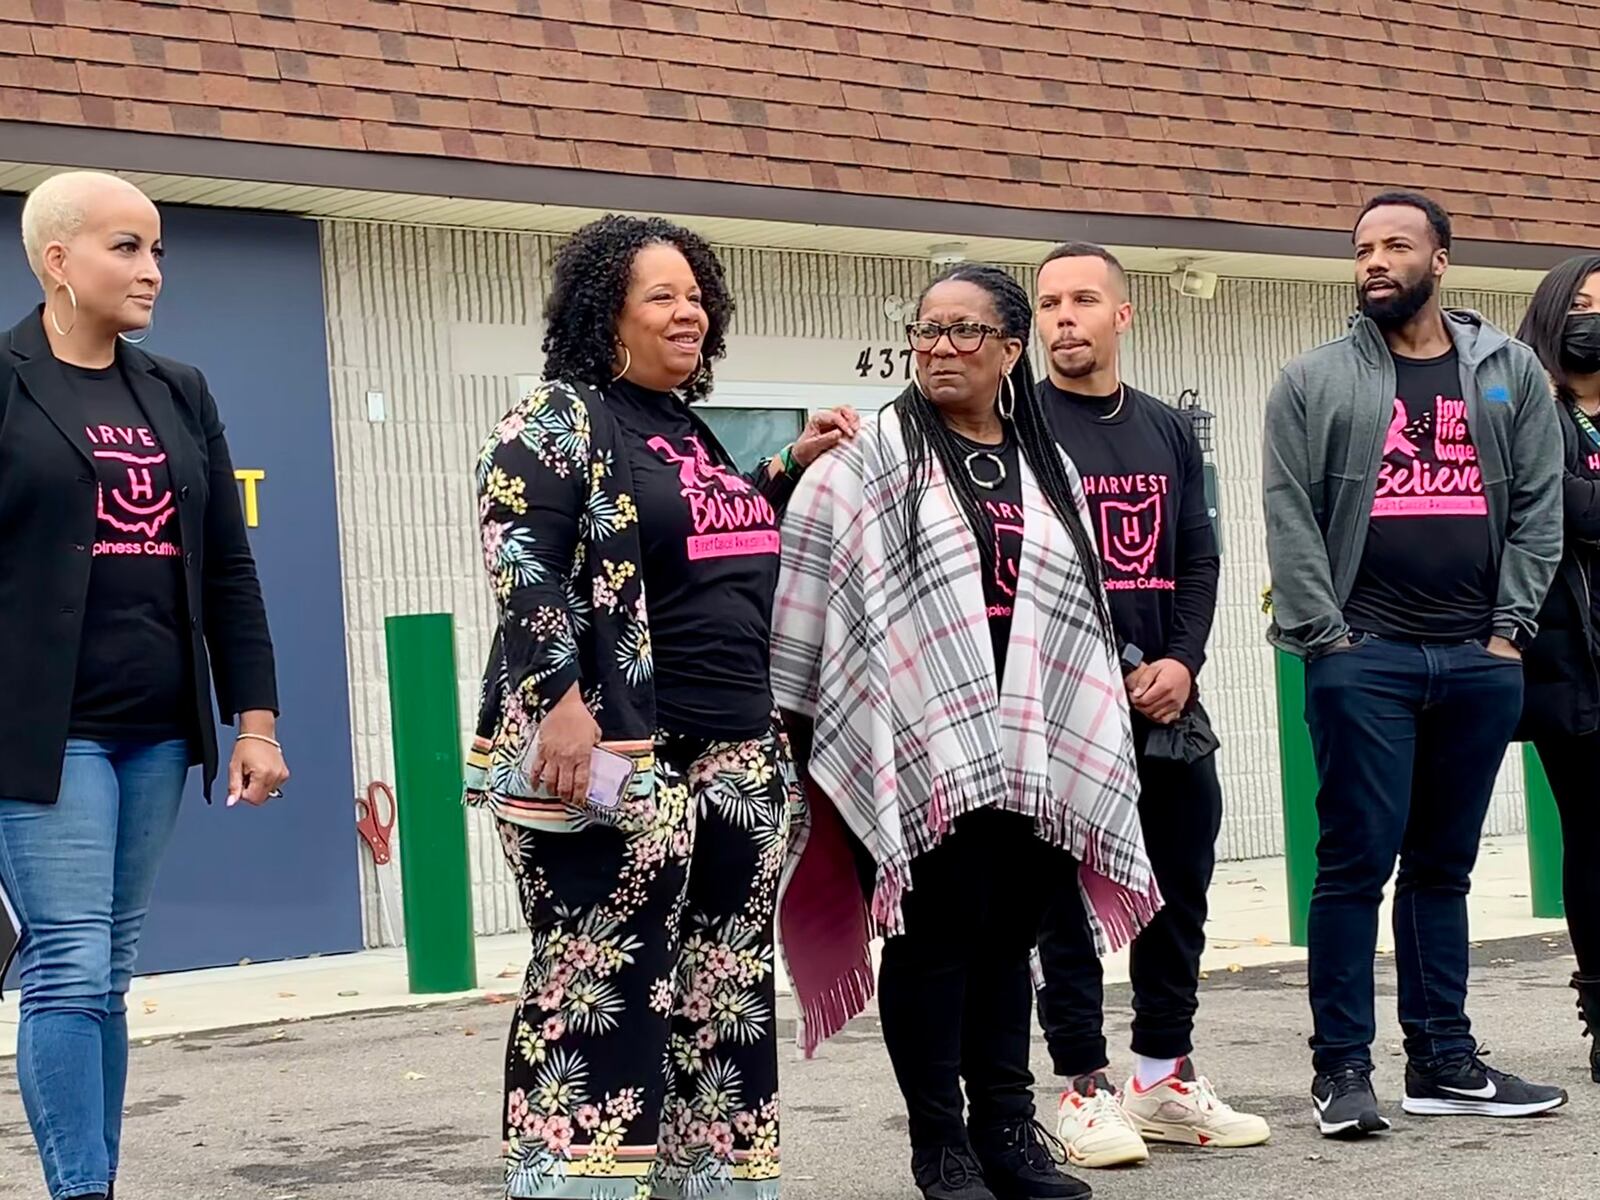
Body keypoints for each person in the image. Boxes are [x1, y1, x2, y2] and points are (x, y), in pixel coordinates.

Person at [464, 213, 858, 1200]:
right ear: (607, 316)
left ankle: (716, 1184)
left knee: (725, 987)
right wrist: (556, 703)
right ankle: (579, 1186)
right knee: (602, 978)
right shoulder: (555, 420)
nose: (688, 313)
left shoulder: (681, 424)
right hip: (612, 751)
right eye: (661, 296)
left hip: (730, 746)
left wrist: (782, 470)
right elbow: (523, 566)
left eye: (696, 297)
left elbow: (700, 541)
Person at [772, 263, 1158, 1200]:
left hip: (1032, 748)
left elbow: (1074, 610)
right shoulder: (868, 460)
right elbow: (810, 590)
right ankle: (939, 1145)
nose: (940, 348)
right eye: (927, 330)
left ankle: (1008, 1133)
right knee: (935, 939)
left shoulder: (1048, 466)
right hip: (917, 744)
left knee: (1007, 939)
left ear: (1010, 350)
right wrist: (799, 724)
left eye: (964, 332)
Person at [0, 171, 289, 1200]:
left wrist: (254, 720)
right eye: (127, 248)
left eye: (158, 250)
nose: (152, 270)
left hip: (159, 726)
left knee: (108, 973)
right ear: (57, 260)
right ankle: (82, 1191)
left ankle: (95, 1177)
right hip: (44, 729)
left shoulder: (179, 389)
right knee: (68, 967)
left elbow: (228, 567)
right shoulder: (5, 379)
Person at [1263, 191, 1567, 1139]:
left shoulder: (1510, 370)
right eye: (1362, 249)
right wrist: (1330, 642)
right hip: (1369, 659)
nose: (1375, 262)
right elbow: (1289, 515)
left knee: (1445, 868)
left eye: (1397, 245)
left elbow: (1539, 509)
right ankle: (1342, 1073)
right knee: (1355, 865)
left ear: (1442, 259)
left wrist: (1508, 633)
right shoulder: (1314, 380)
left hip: (1478, 659)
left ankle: (1442, 1060)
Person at [1031, 243, 1270, 1166]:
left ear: (1121, 316)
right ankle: (1083, 1090)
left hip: (1165, 705)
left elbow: (1199, 558)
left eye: (1083, 300)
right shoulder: (1015, 424)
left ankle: (1163, 1077)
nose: (1064, 318)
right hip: (1057, 709)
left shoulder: (1166, 429)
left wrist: (1183, 659)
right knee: (1061, 905)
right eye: (1049, 303)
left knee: (1178, 892)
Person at [1514, 254, 1600, 1085]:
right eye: (1578, 303)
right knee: (1595, 834)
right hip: (1571, 659)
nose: (1591, 316)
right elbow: (1554, 504)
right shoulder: (1528, 402)